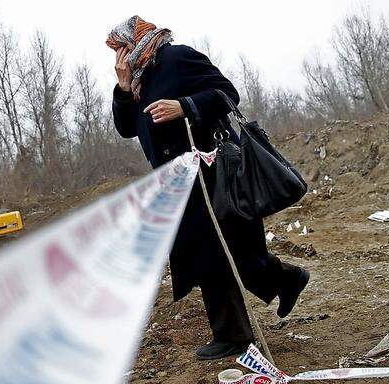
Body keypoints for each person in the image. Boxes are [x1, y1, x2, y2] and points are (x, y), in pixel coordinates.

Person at [106, 16, 310, 360]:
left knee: (240, 252)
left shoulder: (176, 58)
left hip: (214, 173)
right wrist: (123, 89)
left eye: (121, 48)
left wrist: (184, 106)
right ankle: (235, 334)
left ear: (137, 41)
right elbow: (126, 128)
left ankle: (284, 282)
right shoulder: (137, 81)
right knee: (206, 257)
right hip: (179, 184)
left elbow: (227, 93)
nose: (118, 58)